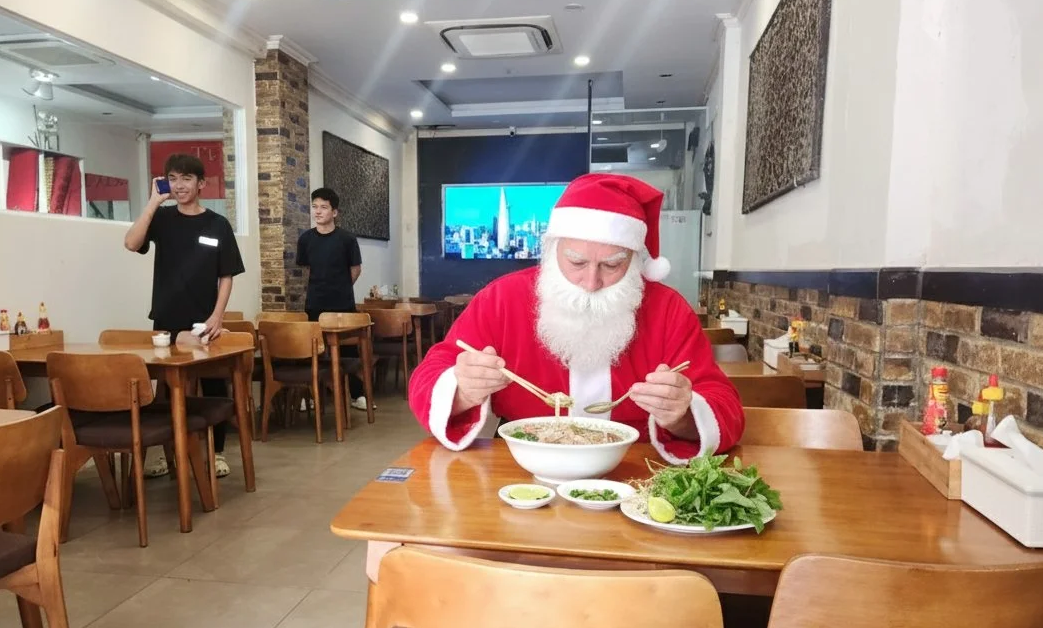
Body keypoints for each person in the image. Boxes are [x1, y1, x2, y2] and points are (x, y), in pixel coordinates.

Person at [408, 173, 744, 461]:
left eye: (612, 265)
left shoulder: (668, 309)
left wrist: (681, 416)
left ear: (634, 260)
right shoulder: (503, 298)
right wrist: (463, 389)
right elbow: (430, 375)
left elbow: (724, 404)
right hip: (523, 463)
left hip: (636, 468)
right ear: (554, 250)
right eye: (577, 262)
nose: (591, 282)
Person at [124, 153, 245, 477]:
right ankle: (170, 454)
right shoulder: (161, 219)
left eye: (186, 179)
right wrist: (153, 202)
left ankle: (217, 453)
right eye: (173, 178)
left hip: (203, 321)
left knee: (214, 385)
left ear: (201, 183)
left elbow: (227, 275)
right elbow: (131, 243)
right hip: (166, 318)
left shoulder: (217, 224)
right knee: (165, 391)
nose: (179, 185)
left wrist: (217, 317)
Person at [297, 187, 368, 409]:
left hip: (342, 303)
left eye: (324, 207)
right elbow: (307, 269)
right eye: (315, 207)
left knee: (348, 350)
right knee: (312, 350)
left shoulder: (346, 239)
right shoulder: (306, 239)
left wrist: (340, 287)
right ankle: (310, 396)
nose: (318, 212)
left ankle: (357, 395)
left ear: (334, 212)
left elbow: (355, 269)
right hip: (315, 303)